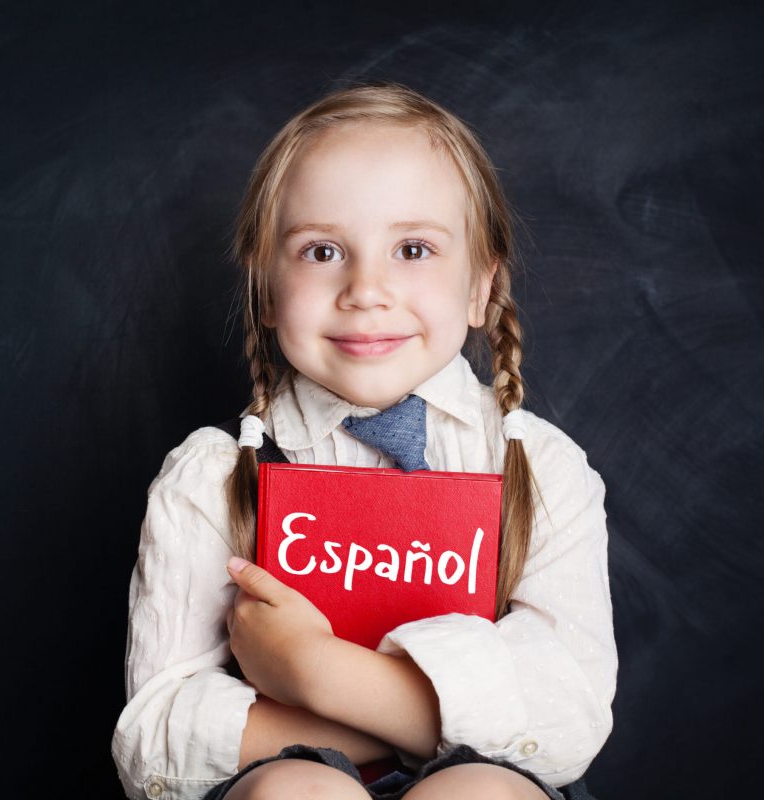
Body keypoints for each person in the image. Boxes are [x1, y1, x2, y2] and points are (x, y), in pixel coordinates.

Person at [111, 82, 618, 800]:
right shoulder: (210, 477)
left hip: (487, 784)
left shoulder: (541, 470)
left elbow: (567, 720)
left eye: (413, 248)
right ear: (265, 288)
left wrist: (317, 673)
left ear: (482, 286)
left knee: (476, 792)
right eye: (322, 251)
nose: (366, 288)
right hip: (281, 783)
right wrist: (396, 713)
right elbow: (154, 743)